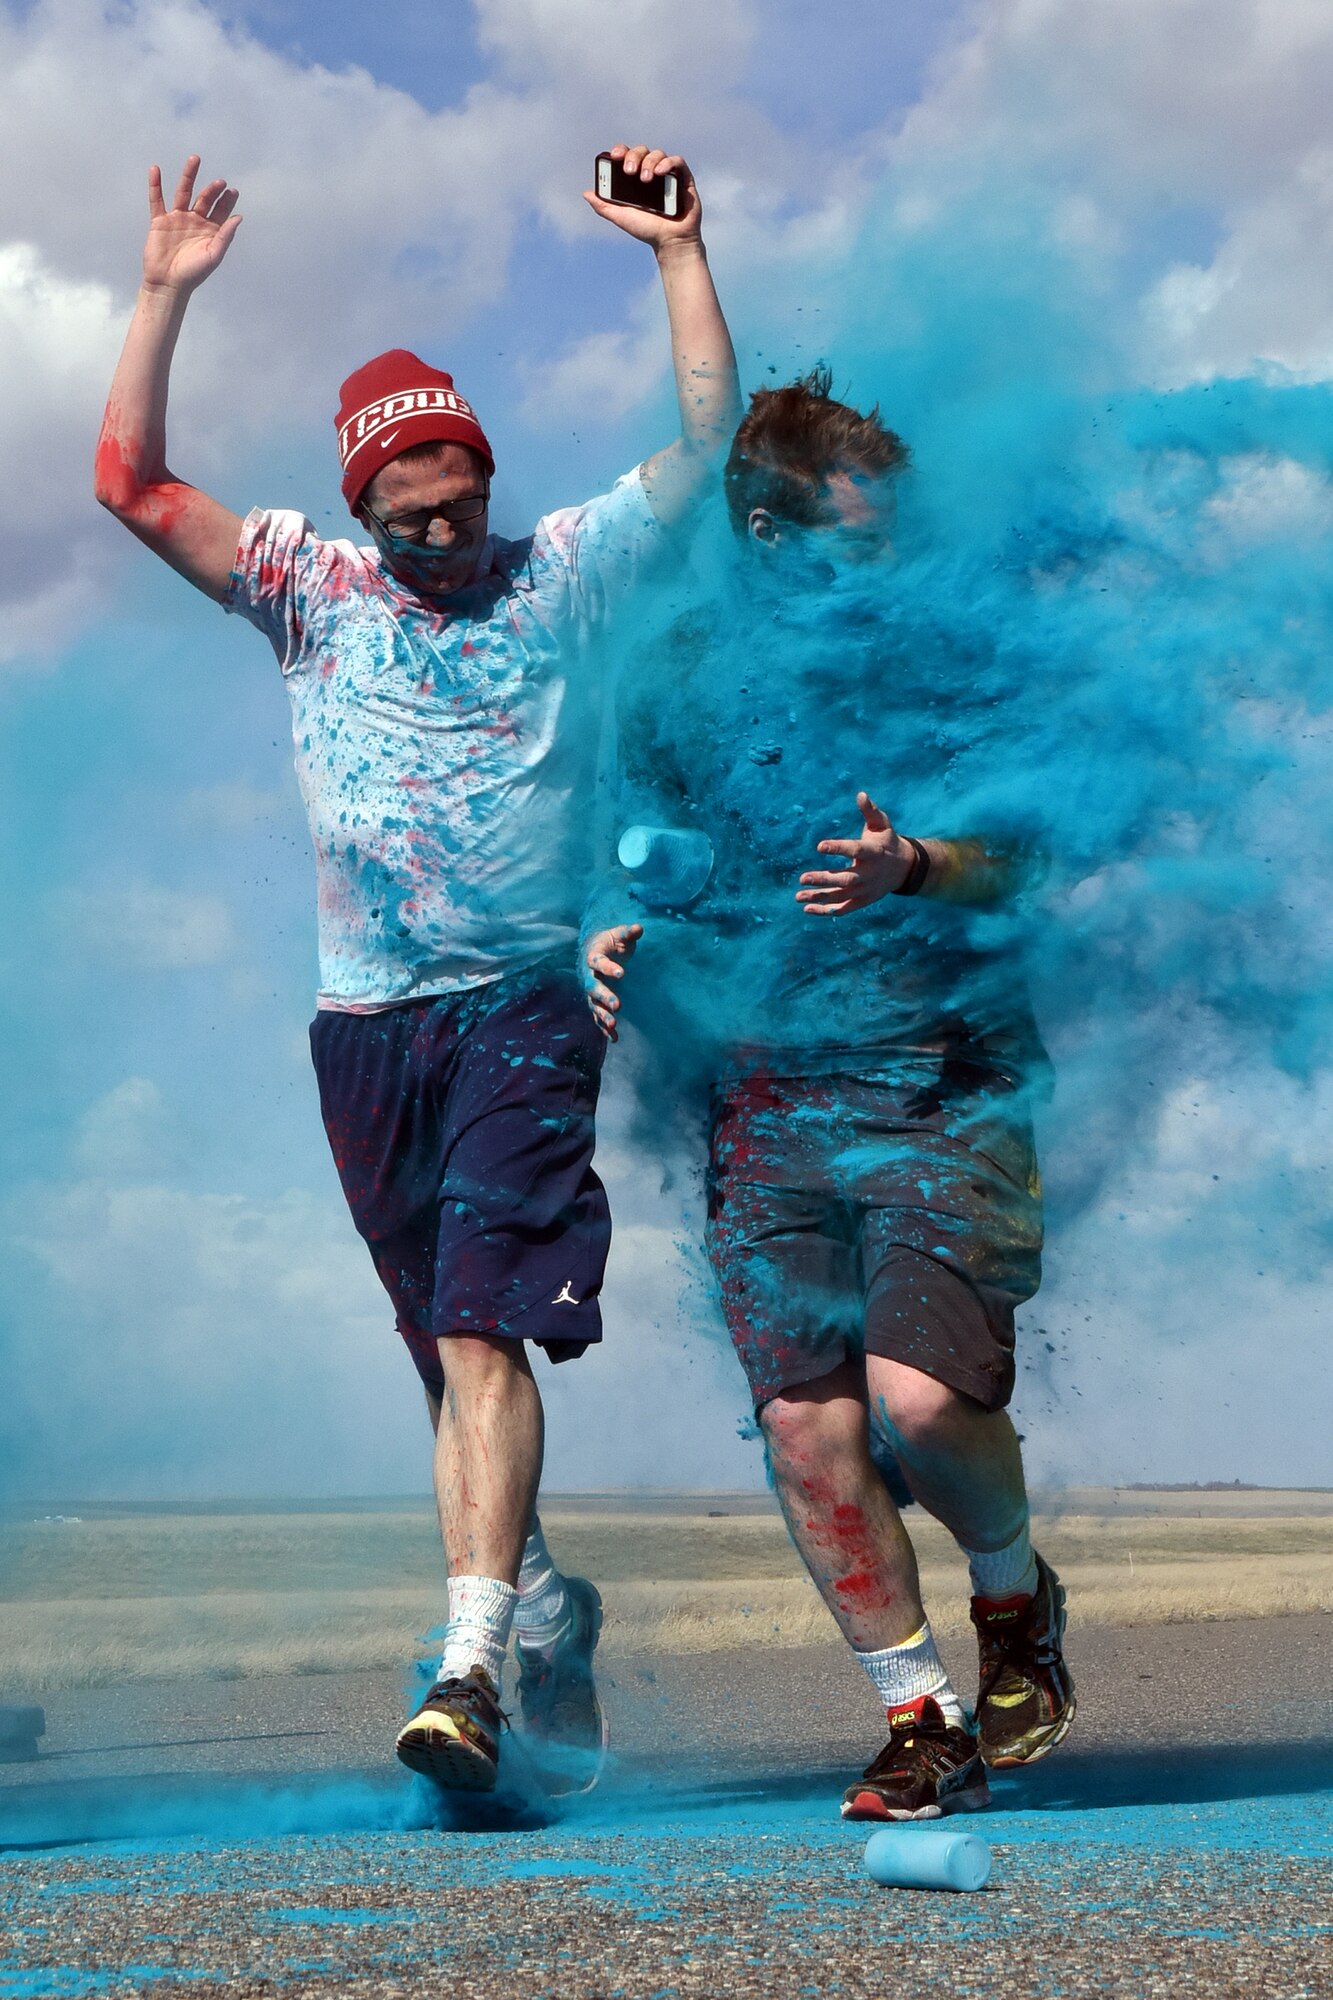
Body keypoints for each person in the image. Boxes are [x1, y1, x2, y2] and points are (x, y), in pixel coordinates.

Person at [96, 146, 740, 1795]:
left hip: (524, 1007)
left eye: (461, 504)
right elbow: (129, 483)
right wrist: (163, 297)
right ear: (361, 508)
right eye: (412, 517)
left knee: (476, 1331)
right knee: (434, 1349)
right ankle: (539, 1601)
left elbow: (704, 452)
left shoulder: (562, 569)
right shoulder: (305, 588)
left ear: (487, 476)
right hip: (364, 1028)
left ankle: (468, 1675)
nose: (445, 536)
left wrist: (677, 257)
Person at [584, 366, 1074, 1822]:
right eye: (862, 541)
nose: (891, 561)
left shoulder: (951, 655)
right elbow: (636, 853)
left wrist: (915, 864)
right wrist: (611, 933)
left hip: (945, 1079)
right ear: (767, 533)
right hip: (764, 1095)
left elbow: (1032, 852)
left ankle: (1013, 1599)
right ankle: (919, 1718)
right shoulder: (677, 672)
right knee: (808, 1430)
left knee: (918, 1405)